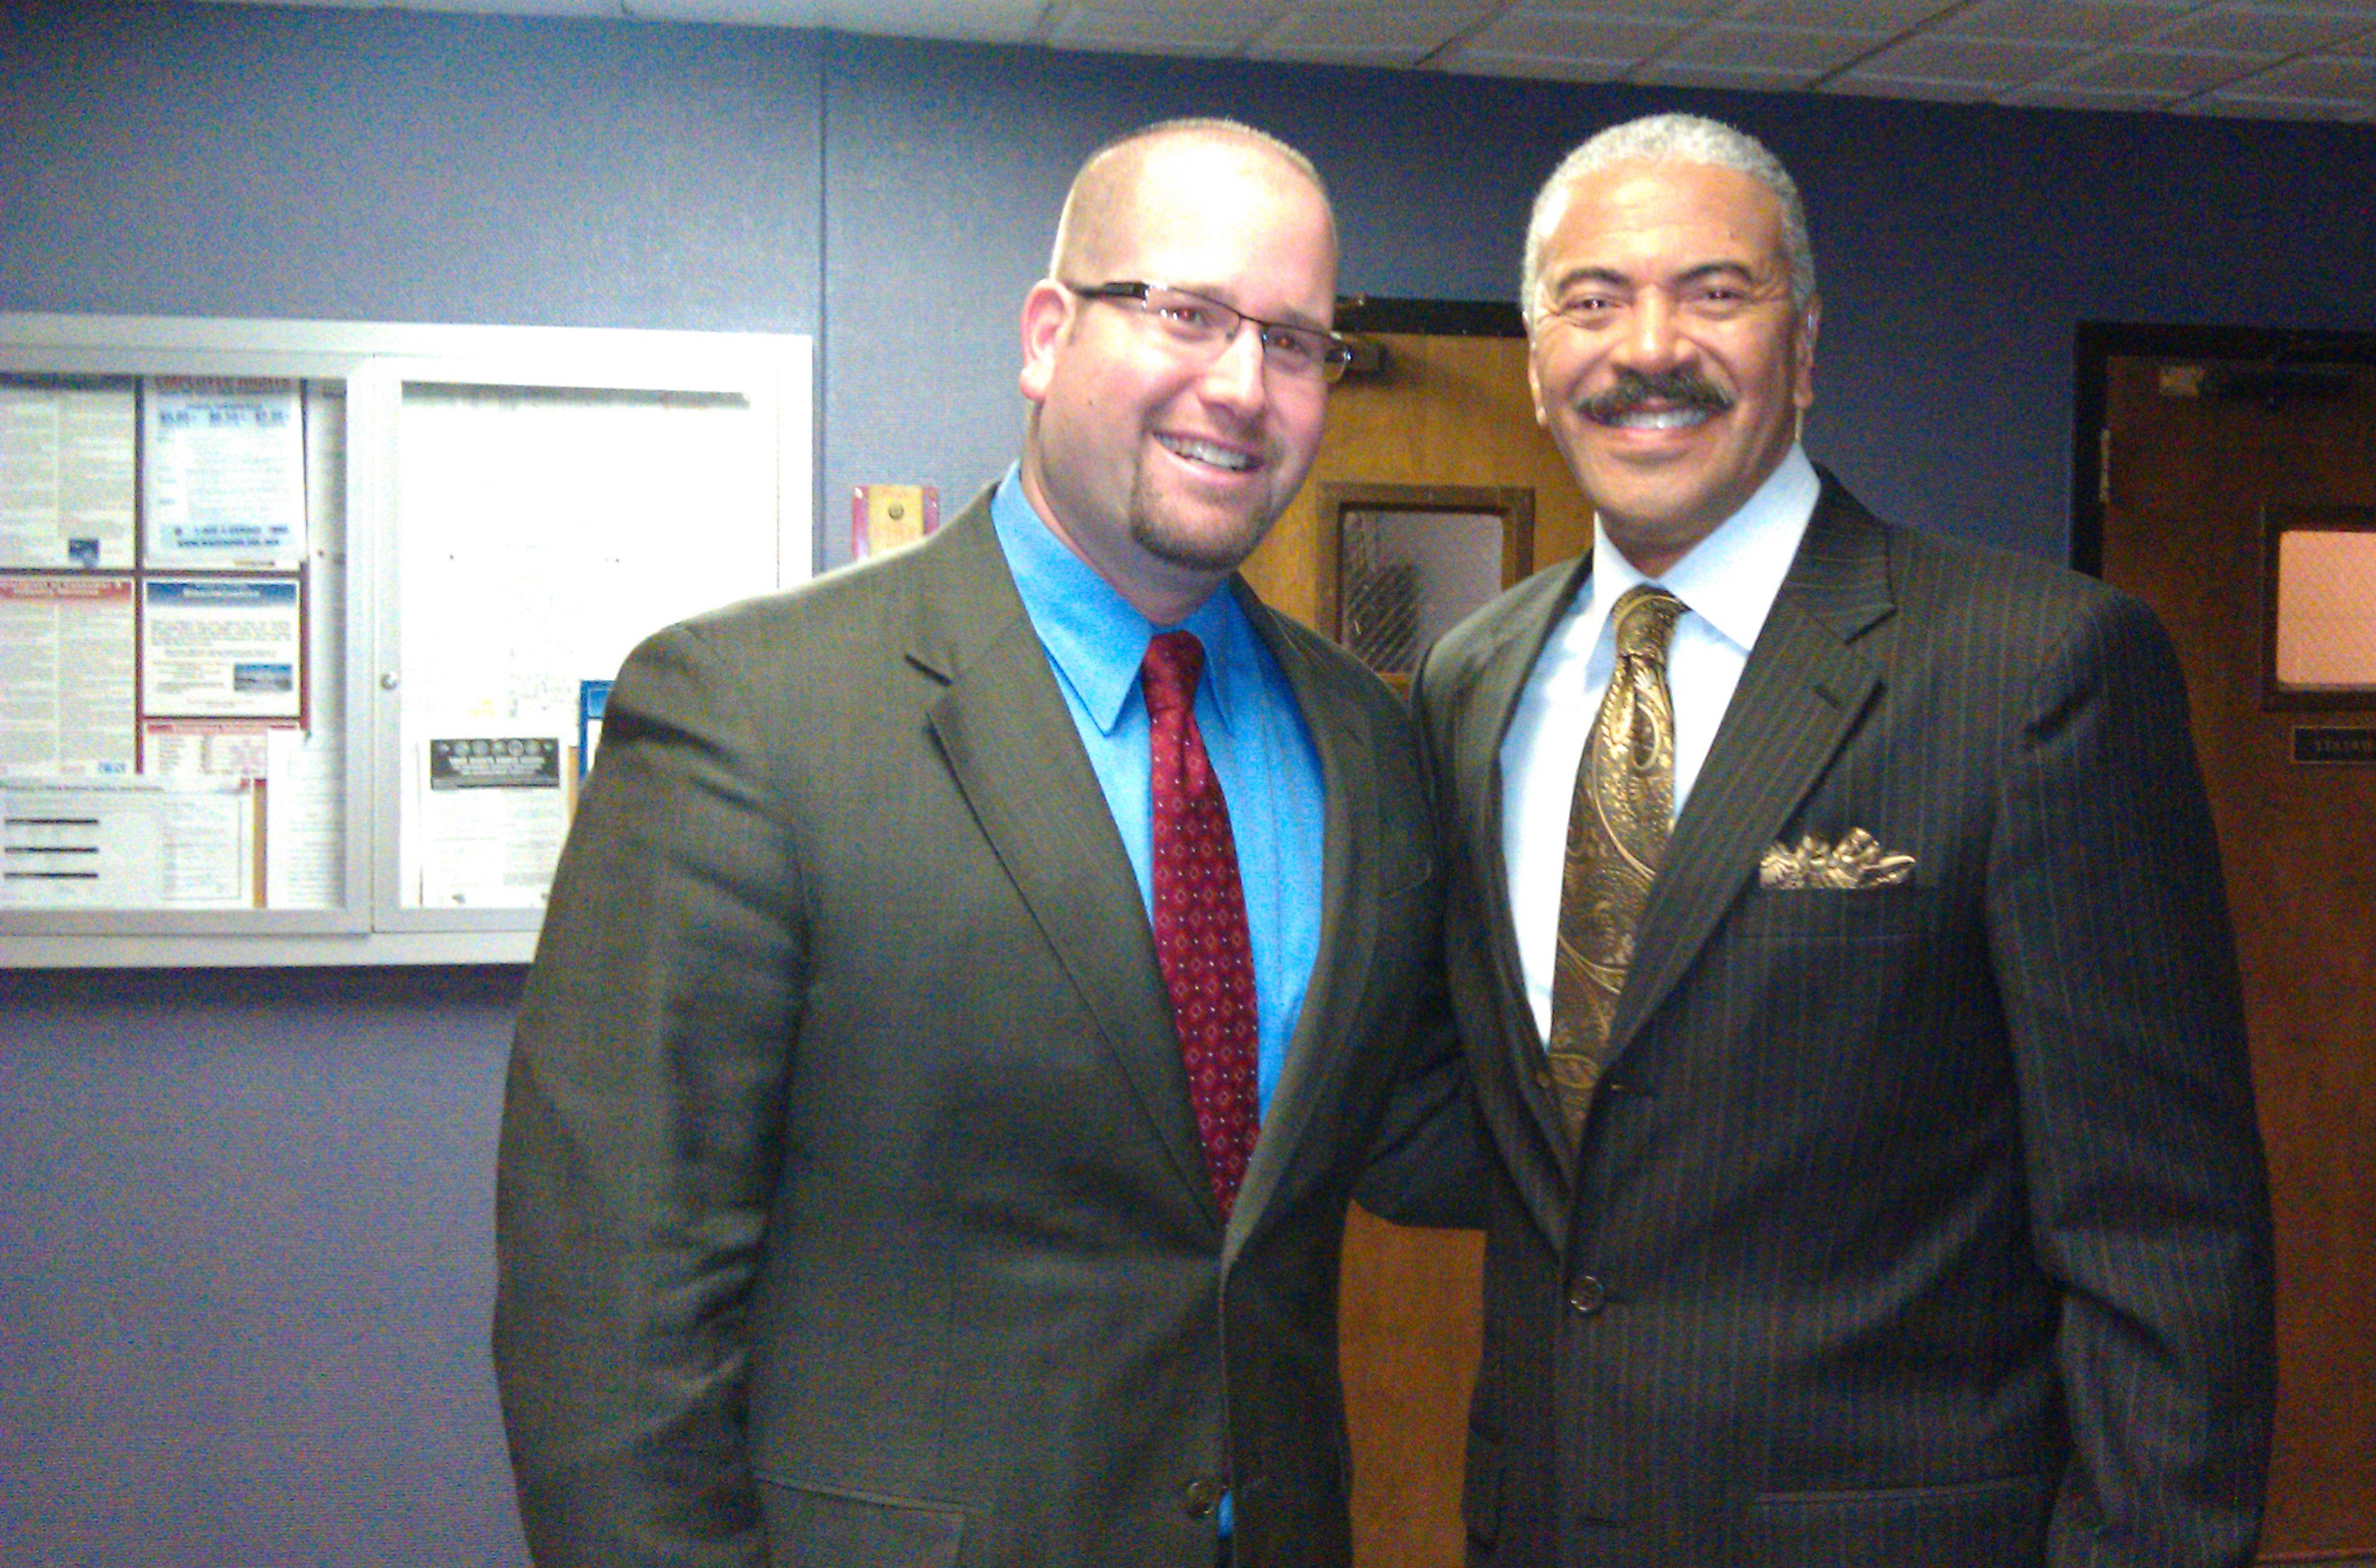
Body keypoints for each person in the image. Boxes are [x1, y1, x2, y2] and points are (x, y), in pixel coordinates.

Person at [494, 118, 1448, 1568]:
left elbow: (1404, 1133)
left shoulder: (1361, 741)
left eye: (1295, 342)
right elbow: (606, 1311)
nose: (1242, 386)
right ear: (1047, 336)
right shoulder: (751, 714)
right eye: (1187, 314)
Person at [1405, 113, 2275, 1565]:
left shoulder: (2031, 670)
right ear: (1540, 366)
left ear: (1804, 350)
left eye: (1715, 292)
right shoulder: (1473, 679)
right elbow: (1501, 1122)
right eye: (1592, 300)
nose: (1649, 347)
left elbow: (2160, 1226)